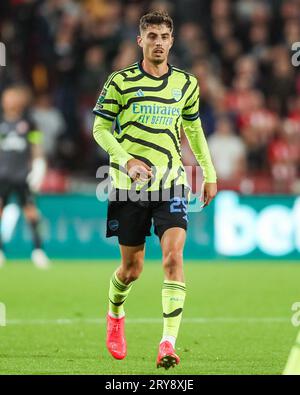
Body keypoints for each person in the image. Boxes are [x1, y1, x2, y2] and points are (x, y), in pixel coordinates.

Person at [92, 11, 217, 369]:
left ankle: (167, 343)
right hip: (128, 187)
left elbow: (193, 131)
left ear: (172, 41)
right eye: (152, 36)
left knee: (173, 259)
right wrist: (125, 159)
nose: (158, 42)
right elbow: (99, 127)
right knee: (131, 270)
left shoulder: (187, 84)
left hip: (171, 183)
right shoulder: (120, 81)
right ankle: (115, 314)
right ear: (140, 41)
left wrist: (208, 172)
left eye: (164, 36)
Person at [0, 85, 49, 269]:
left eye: (13, 97)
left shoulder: (30, 123)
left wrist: (39, 170)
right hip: (2, 176)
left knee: (31, 214)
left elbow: (37, 149)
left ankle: (38, 251)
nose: (9, 101)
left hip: (22, 177)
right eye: (7, 97)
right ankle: (0, 251)